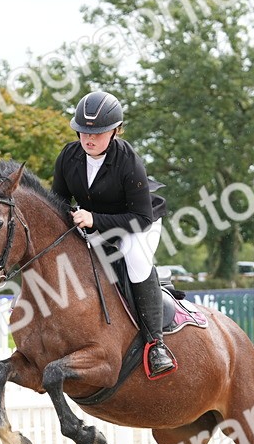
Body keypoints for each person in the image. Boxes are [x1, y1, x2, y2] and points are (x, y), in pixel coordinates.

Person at [51, 91, 175, 379]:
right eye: (83, 132)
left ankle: (156, 343)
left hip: (138, 224)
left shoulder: (128, 161)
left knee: (135, 259)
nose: (88, 139)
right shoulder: (69, 157)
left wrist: (94, 219)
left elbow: (141, 218)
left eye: (97, 133)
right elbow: (58, 202)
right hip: (94, 225)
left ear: (115, 131)